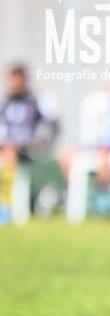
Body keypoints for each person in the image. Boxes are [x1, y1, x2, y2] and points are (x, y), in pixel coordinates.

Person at [58, 79, 110, 197]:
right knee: (66, 154)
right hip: (97, 146)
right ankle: (76, 195)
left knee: (103, 159)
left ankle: (104, 195)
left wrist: (108, 146)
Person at [0, 64, 59, 221]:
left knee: (9, 152)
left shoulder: (36, 101)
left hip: (29, 148)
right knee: (8, 150)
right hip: (6, 146)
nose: (14, 84)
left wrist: (38, 143)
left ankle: (5, 205)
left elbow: (52, 125)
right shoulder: (5, 102)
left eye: (17, 80)